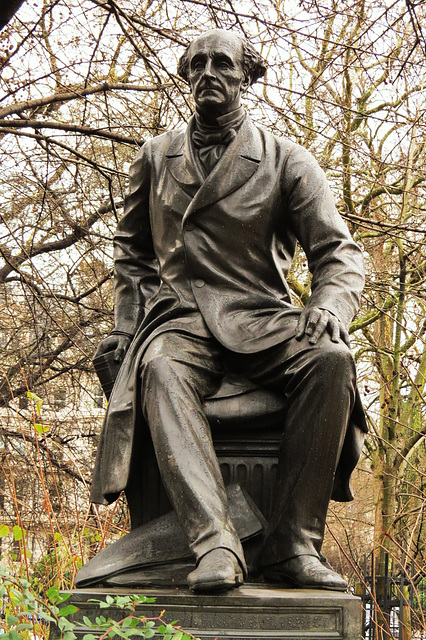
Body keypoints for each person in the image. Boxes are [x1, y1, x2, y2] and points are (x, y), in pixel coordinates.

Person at [90, 29, 366, 593]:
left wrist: (330, 303)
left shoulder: (285, 159)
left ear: (247, 76)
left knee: (332, 359)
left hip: (260, 316)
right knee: (160, 369)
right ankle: (214, 542)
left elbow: (337, 252)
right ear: (186, 76)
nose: (209, 72)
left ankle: (293, 543)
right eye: (197, 64)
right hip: (182, 317)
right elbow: (132, 252)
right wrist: (128, 326)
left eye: (223, 63)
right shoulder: (155, 156)